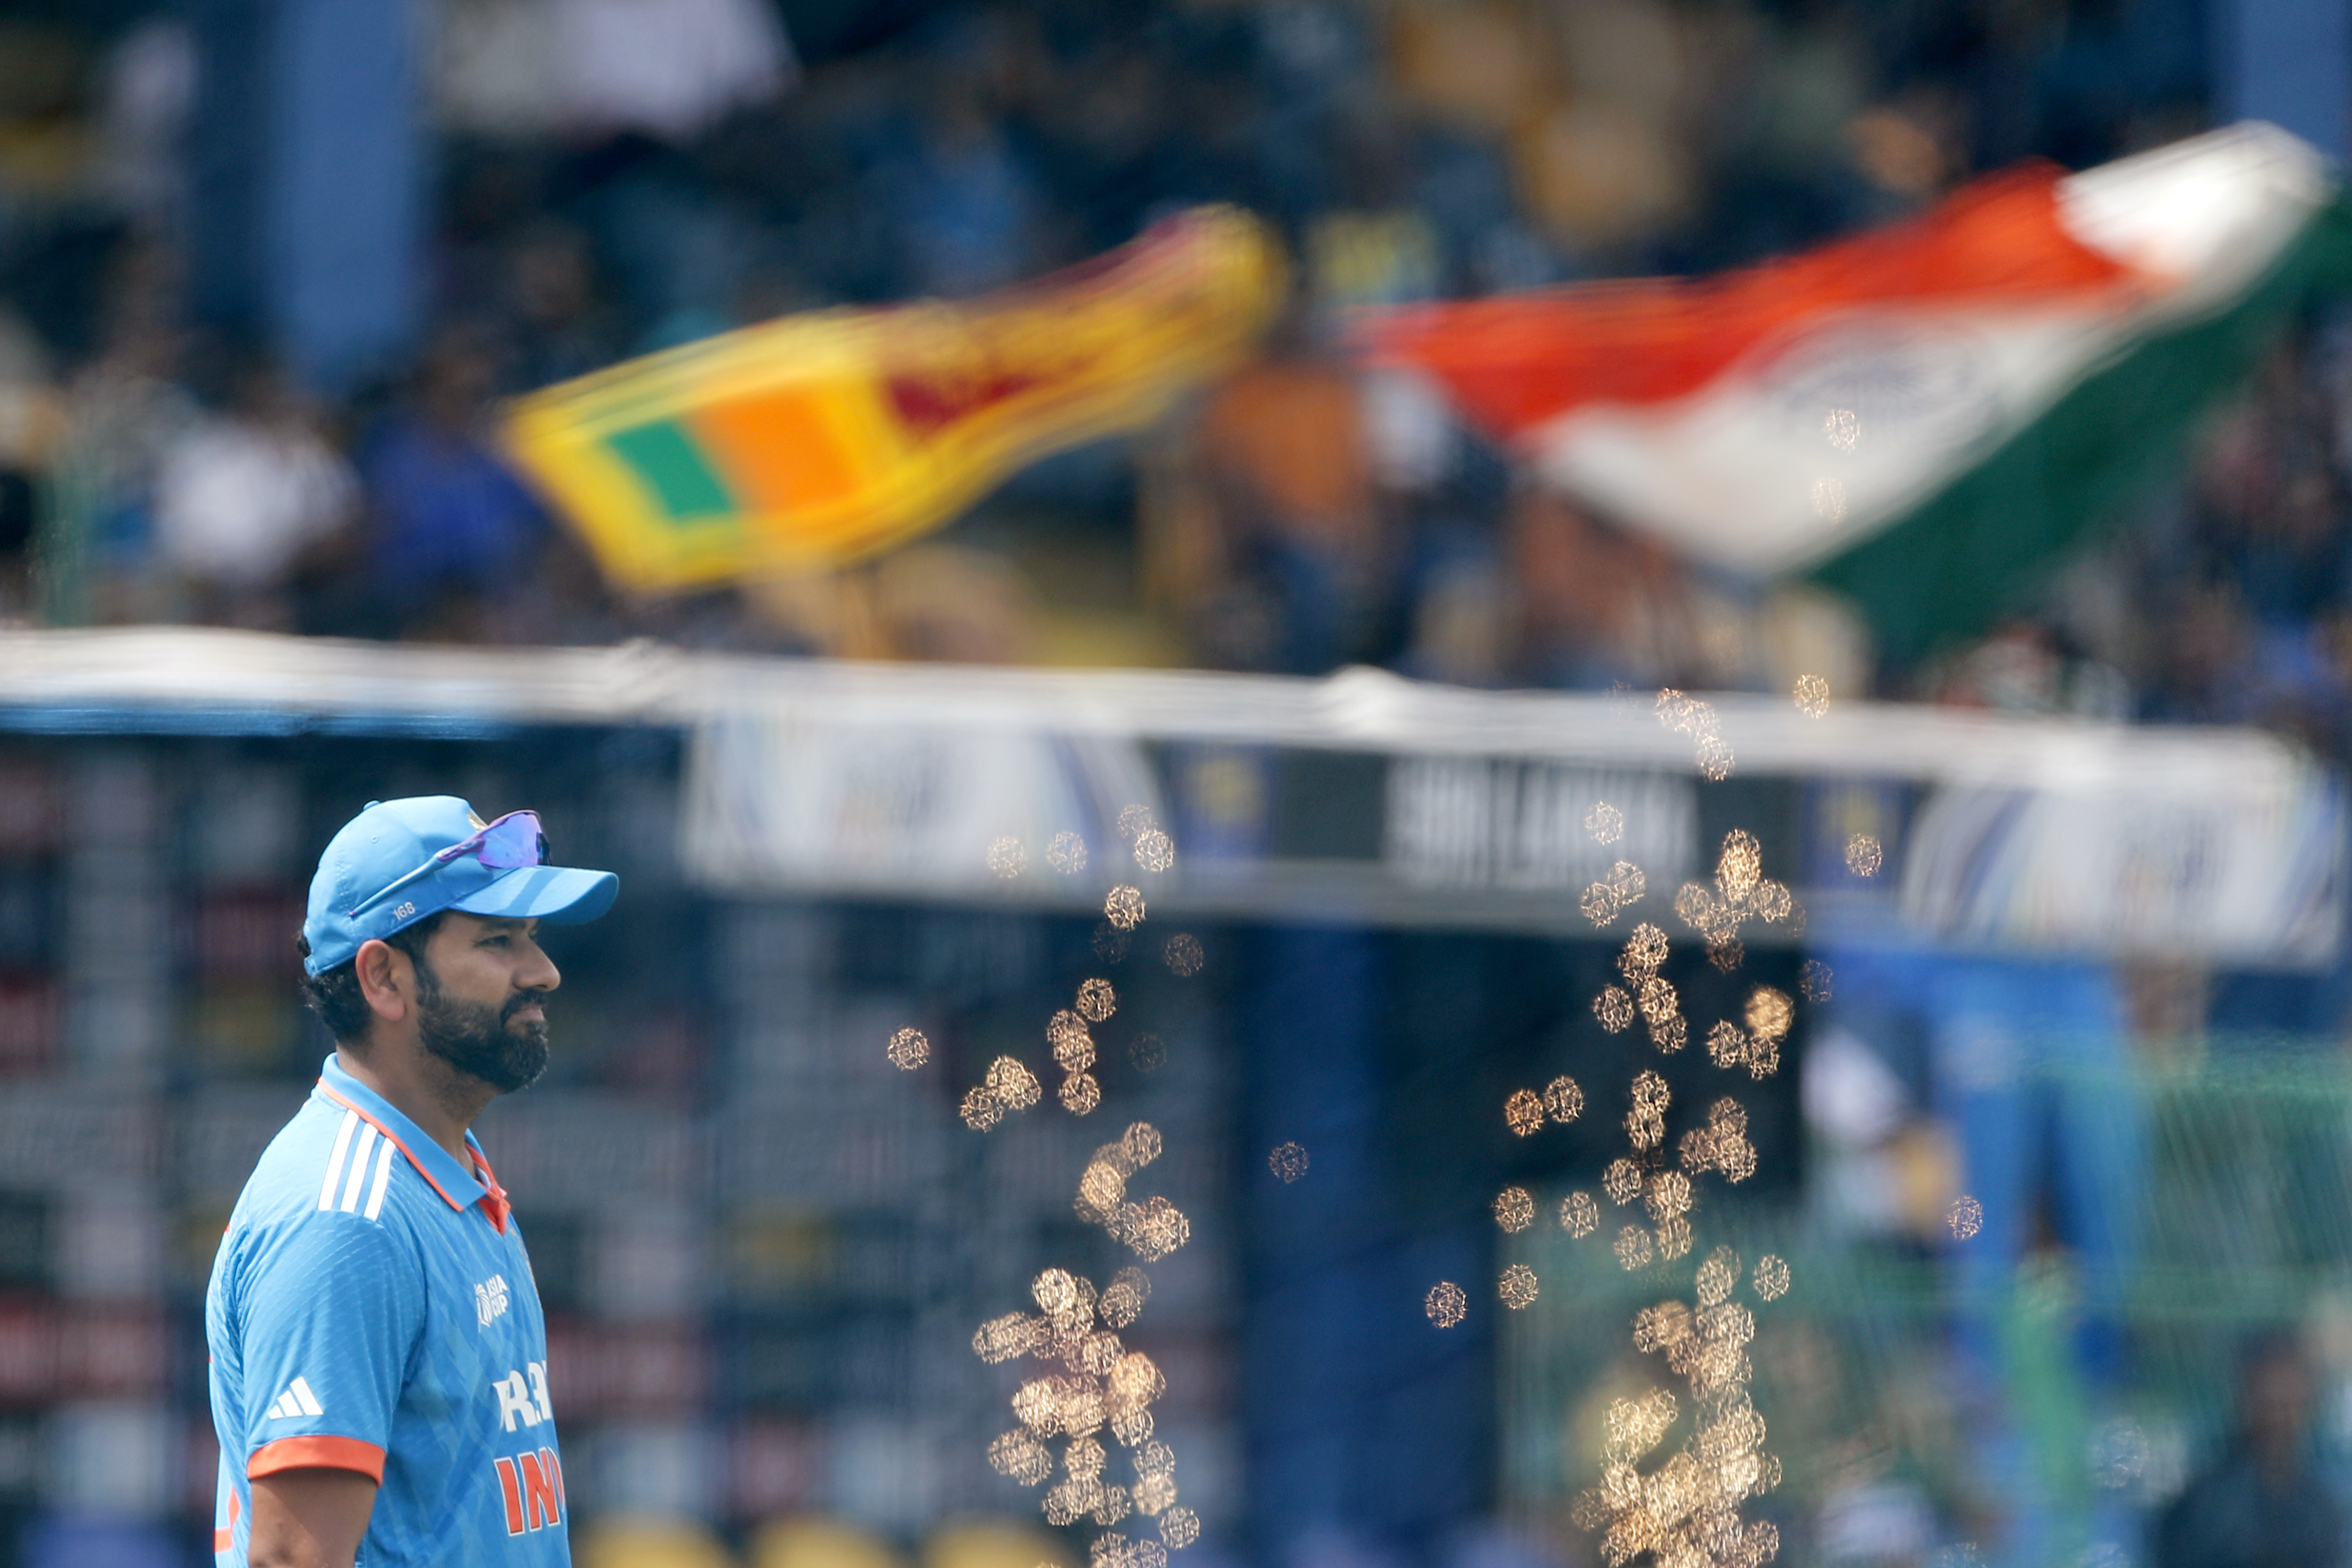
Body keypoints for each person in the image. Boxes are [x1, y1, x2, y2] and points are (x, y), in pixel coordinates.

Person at [204, 797, 618, 1567]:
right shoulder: (347, 1219)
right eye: (498, 941)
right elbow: (294, 1557)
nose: (544, 971)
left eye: (531, 937)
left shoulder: (448, 1172)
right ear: (383, 977)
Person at [2153, 1329, 2348, 1568]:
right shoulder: (2206, 1506)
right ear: (2246, 1399)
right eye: (2271, 1403)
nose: (2281, 1418)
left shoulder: (2321, 1506)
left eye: (2289, 1404)